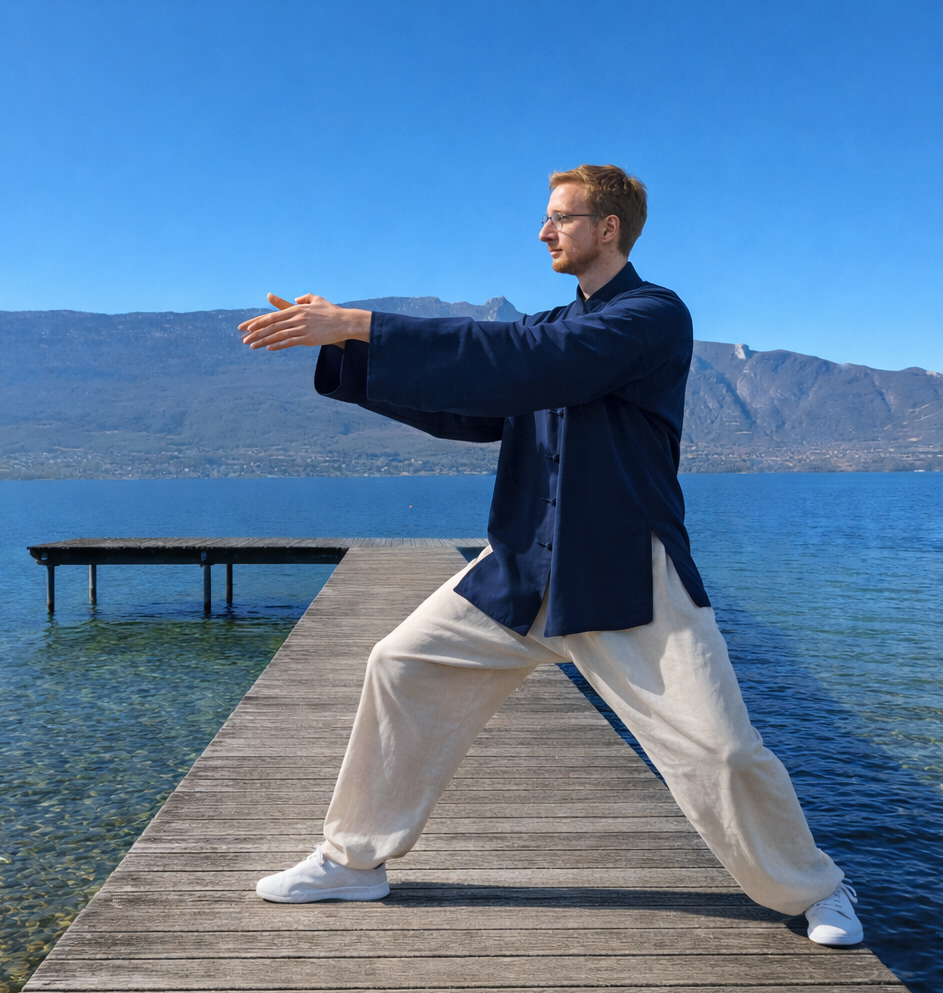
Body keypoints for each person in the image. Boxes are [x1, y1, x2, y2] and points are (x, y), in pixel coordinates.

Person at [237, 164, 863, 946]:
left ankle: (819, 889)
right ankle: (353, 862)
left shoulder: (653, 316)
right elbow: (472, 405)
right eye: (546, 218)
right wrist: (347, 351)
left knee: (723, 753)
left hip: (625, 573)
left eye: (560, 218)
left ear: (608, 229)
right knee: (401, 665)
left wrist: (365, 323)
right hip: (522, 569)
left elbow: (538, 364)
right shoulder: (546, 331)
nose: (543, 232)